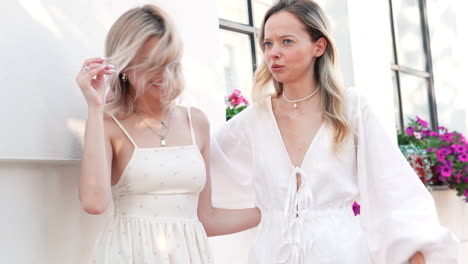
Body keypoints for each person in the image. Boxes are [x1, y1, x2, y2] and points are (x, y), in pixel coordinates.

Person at [210, 0, 459, 263]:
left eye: (287, 41)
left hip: (342, 254)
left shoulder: (350, 109)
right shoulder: (252, 120)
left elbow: (392, 187)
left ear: (319, 46)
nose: (273, 53)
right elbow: (202, 172)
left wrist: (414, 252)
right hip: (270, 255)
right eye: (267, 43)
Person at [76, 5, 260, 263]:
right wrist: (95, 108)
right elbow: (94, 203)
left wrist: (272, 211)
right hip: (128, 255)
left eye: (169, 61)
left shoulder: (196, 122)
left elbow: (205, 219)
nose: (163, 74)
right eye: (150, 63)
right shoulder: (108, 124)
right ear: (124, 66)